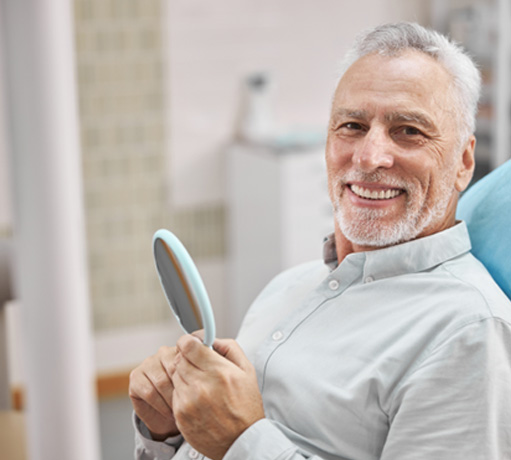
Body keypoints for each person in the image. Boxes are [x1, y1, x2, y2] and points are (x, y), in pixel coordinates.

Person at [129, 22, 511, 460]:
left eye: (408, 131)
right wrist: (167, 433)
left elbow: (235, 442)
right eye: (352, 125)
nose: (369, 157)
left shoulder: (468, 333)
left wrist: (242, 441)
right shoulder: (288, 287)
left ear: (464, 162)